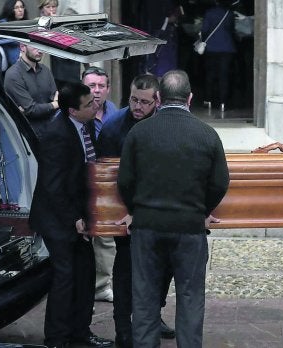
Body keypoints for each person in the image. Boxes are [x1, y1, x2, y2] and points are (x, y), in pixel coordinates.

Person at [117, 70, 229, 347]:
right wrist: (203, 210)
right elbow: (220, 182)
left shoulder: (139, 132)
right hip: (190, 227)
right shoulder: (207, 134)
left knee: (144, 298)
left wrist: (136, 208)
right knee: (191, 298)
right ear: (190, 98)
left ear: (157, 97)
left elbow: (125, 180)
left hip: (146, 226)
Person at [29, 82, 113, 348]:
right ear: (72, 111)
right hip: (58, 218)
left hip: (79, 214)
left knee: (85, 275)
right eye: (88, 104)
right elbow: (52, 185)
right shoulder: (56, 134)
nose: (95, 105)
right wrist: (73, 218)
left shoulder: (84, 125)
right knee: (65, 278)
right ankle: (57, 339)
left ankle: (80, 332)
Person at [97, 74, 175, 347]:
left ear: (157, 101)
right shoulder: (113, 126)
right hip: (124, 210)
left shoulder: (165, 124)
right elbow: (107, 177)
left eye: (144, 102)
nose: (137, 107)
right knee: (125, 268)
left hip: (157, 208)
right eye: (133, 100)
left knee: (164, 265)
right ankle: (122, 327)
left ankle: (154, 314)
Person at [81, 66, 118, 303]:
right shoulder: (73, 113)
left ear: (107, 89)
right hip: (81, 182)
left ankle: (102, 285)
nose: (96, 91)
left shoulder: (114, 111)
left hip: (107, 183)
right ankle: (82, 290)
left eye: (100, 86)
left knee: (106, 236)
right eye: (91, 86)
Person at [4, 43, 58, 139]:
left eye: (42, 46)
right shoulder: (13, 75)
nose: (40, 51)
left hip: (53, 129)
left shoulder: (45, 70)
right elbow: (31, 110)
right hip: (31, 136)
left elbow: (54, 96)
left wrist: (53, 104)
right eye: (35, 46)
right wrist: (54, 104)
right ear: (22, 47)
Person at [38, 0, 82, 89]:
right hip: (51, 66)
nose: (51, 10)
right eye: (48, 7)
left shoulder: (62, 21)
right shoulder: (38, 22)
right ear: (42, 9)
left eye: (54, 7)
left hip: (69, 66)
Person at [201, 0, 236, 112]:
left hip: (211, 48)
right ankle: (223, 102)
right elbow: (232, 29)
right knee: (224, 76)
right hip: (227, 48)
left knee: (210, 75)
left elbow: (204, 29)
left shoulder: (209, 13)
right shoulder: (229, 13)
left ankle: (209, 100)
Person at [0, 0, 29, 66]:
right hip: (12, 62)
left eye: (22, 7)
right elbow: (13, 39)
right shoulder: (4, 23)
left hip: (26, 58)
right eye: (17, 7)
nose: (20, 10)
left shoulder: (26, 23)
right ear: (10, 9)